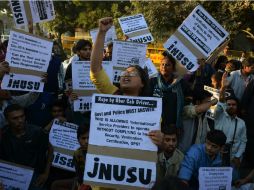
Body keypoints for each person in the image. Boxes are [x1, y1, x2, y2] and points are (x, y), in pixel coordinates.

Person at [0, 104, 52, 190]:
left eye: (22, 116)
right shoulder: (3, 134)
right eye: (15, 118)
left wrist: (46, 173)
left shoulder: (37, 132)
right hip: (10, 174)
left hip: (33, 174)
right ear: (7, 120)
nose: (20, 120)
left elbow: (50, 150)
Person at [214, 73, 247, 180]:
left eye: (234, 105)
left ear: (237, 107)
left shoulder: (241, 123)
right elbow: (220, 103)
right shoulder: (219, 116)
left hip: (233, 160)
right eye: (229, 104)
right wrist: (223, 87)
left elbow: (243, 141)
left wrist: (238, 156)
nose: (231, 106)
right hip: (216, 156)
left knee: (231, 182)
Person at [149, 51, 191, 130]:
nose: (164, 67)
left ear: (173, 68)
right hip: (155, 124)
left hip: (173, 126)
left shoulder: (181, 83)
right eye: (162, 64)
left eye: (167, 65)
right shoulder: (152, 82)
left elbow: (189, 97)